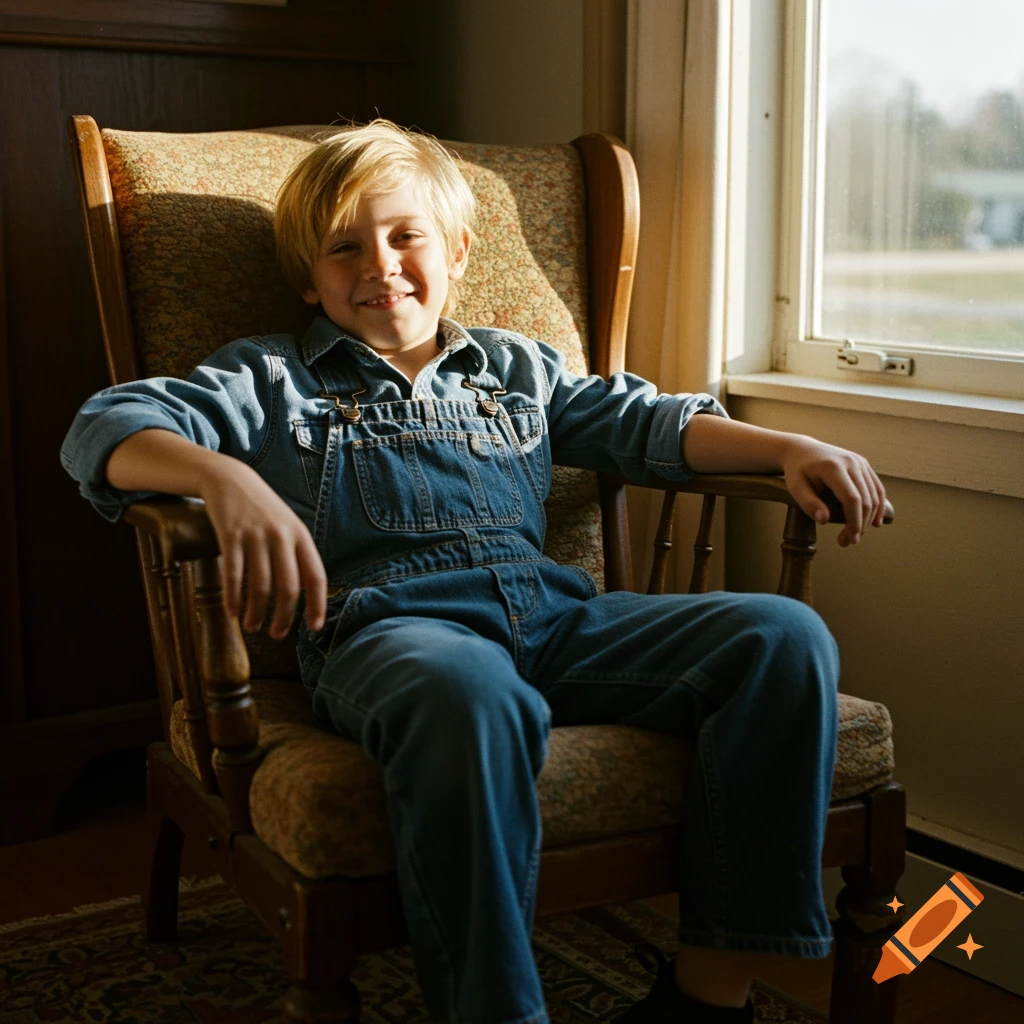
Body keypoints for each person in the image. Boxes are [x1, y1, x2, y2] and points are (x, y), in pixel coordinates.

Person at [61, 120, 887, 1024]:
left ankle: (706, 999)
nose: (380, 263)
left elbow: (649, 425)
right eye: (345, 247)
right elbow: (103, 428)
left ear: (455, 251)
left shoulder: (516, 369)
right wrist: (221, 477)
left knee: (783, 636)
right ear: (309, 278)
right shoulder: (270, 377)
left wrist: (789, 445)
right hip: (394, 635)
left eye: (405, 234)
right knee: (473, 696)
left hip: (558, 622)